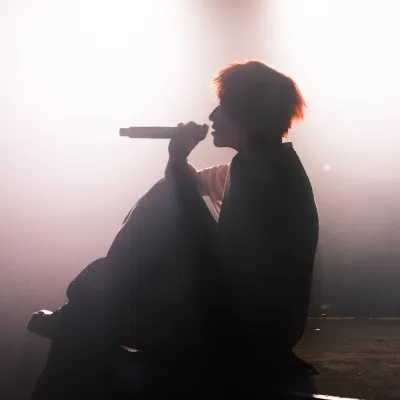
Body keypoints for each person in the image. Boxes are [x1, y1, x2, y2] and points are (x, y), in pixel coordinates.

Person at [29, 60, 319, 398]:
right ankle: (98, 295)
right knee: (167, 193)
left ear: (247, 112)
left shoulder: (257, 173)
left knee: (91, 304)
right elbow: (196, 186)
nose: (212, 115)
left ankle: (97, 295)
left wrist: (176, 162)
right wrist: (179, 162)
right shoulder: (269, 165)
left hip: (238, 332)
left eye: (223, 105)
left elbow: (213, 265)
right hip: (259, 329)